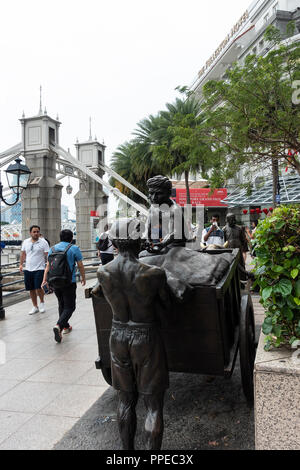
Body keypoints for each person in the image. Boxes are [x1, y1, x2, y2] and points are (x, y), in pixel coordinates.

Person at [93, 218, 171, 450]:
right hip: (146, 336)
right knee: (153, 405)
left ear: (115, 242)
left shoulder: (103, 271)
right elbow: (168, 304)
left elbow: (99, 293)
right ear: (140, 242)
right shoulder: (154, 273)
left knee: (125, 401)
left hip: (117, 336)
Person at [41, 229, 86, 343]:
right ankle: (59, 325)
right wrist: (83, 278)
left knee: (61, 303)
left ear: (60, 237)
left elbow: (47, 266)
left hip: (55, 281)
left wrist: (44, 280)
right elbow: (80, 265)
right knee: (70, 307)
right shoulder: (74, 248)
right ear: (71, 238)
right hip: (68, 282)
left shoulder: (52, 249)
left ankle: (65, 327)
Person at [146, 175, 189, 253]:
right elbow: (148, 227)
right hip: (163, 244)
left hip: (177, 245)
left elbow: (174, 233)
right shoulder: (153, 208)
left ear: (169, 193)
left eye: (159, 193)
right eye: (151, 193)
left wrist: (162, 244)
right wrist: (147, 241)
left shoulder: (175, 209)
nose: (153, 197)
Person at [19, 225, 49, 315]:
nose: (36, 233)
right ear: (30, 233)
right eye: (34, 232)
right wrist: (21, 264)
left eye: (37, 232)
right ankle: (35, 306)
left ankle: (42, 303)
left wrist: (48, 265)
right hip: (28, 269)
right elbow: (23, 254)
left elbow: (48, 254)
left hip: (39, 268)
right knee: (31, 289)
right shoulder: (25, 242)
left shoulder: (43, 242)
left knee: (38, 288)